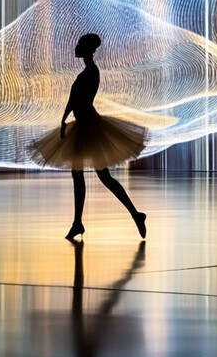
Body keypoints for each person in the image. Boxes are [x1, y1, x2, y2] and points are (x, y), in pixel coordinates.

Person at [29, 33, 148, 240]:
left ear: (87, 50)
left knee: (102, 176)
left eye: (80, 46)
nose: (75, 48)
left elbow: (80, 100)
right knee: (84, 175)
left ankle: (133, 214)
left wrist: (67, 118)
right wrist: (63, 119)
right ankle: (80, 222)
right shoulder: (87, 72)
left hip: (88, 126)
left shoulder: (92, 72)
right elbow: (73, 99)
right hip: (83, 124)